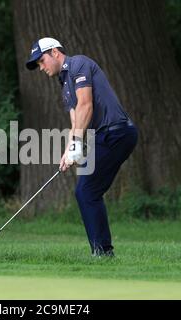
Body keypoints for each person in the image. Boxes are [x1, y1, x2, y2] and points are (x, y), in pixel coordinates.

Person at [26, 37, 138, 257]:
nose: (41, 68)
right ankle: (102, 251)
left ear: (55, 53)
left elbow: (86, 104)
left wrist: (77, 144)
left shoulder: (79, 64)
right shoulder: (64, 82)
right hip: (104, 137)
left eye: (41, 61)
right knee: (87, 192)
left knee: (86, 191)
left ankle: (103, 252)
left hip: (118, 133)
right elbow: (76, 119)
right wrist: (69, 150)